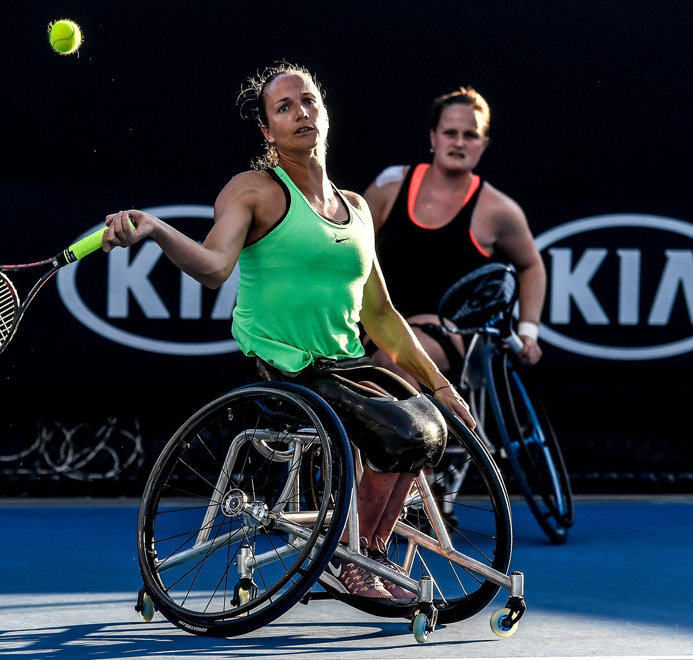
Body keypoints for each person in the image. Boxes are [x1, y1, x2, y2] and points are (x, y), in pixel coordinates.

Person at [101, 63, 475, 604]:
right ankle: (349, 561)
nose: (301, 113)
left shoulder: (360, 209)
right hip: (288, 368)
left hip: (347, 364)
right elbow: (212, 267)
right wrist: (157, 229)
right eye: (284, 107)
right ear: (268, 132)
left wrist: (440, 387)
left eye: (309, 102)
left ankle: (364, 551)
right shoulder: (254, 190)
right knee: (400, 433)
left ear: (324, 111)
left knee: (428, 428)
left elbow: (384, 317)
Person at [362, 86, 546, 386]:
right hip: (381, 324)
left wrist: (528, 332)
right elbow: (350, 250)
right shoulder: (389, 186)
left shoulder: (498, 210)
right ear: (433, 137)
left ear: (483, 144)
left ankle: (415, 433)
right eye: (450, 133)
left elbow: (531, 266)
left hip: (451, 334)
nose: (459, 142)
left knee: (396, 361)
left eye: (470, 135)